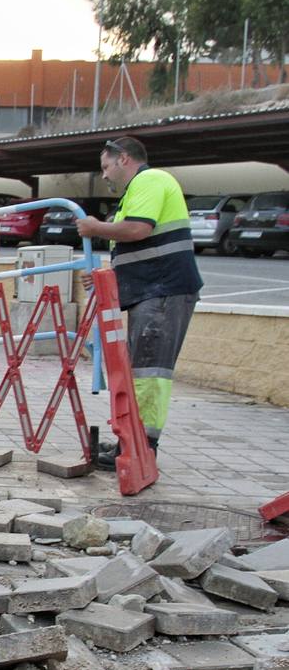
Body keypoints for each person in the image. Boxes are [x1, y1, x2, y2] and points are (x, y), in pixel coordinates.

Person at [75, 136, 201, 471]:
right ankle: (130, 444)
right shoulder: (138, 190)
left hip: (163, 292)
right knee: (140, 371)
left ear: (124, 159)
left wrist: (94, 228)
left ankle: (140, 449)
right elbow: (146, 249)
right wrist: (110, 274)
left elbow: (138, 230)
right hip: (155, 290)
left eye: (105, 167)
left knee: (149, 373)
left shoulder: (150, 180)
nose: (103, 176)